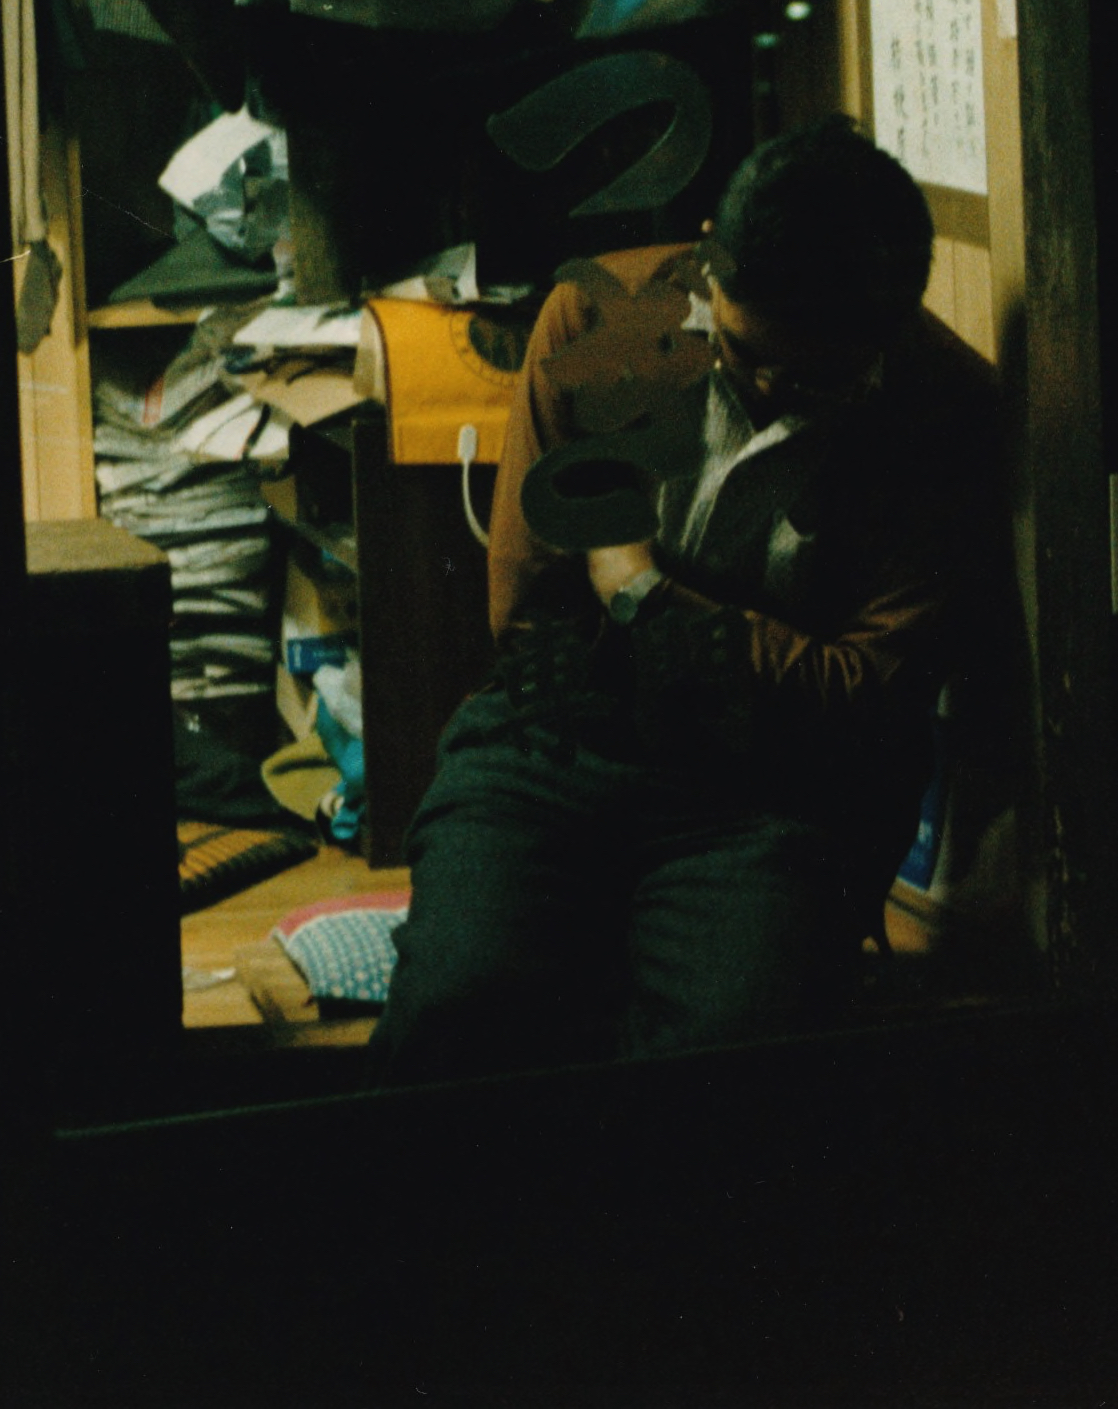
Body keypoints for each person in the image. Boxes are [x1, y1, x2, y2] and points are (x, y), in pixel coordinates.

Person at [369, 117, 1017, 1079]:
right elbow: (534, 614)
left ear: (888, 323)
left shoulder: (942, 408)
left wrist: (643, 593)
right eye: (744, 352)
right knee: (456, 1009)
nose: (768, 387)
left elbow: (866, 695)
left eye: (811, 376)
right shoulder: (599, 319)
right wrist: (763, 655)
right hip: (561, 741)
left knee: (726, 1061)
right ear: (711, 255)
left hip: (776, 798)